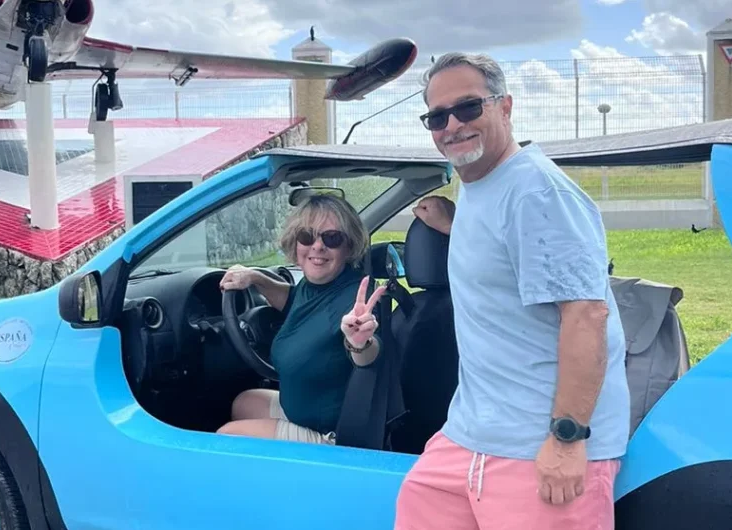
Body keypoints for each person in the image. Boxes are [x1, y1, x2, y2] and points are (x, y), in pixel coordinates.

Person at [394, 52, 631, 529]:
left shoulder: (537, 192)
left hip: (539, 448)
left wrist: (566, 439)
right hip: (468, 438)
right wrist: (451, 226)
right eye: (437, 117)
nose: (452, 125)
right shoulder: (483, 185)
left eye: (468, 107)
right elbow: (507, 254)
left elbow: (586, 315)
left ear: (505, 106)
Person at [216, 193, 386, 445]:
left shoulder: (356, 300)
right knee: (244, 402)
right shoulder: (316, 284)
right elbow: (293, 299)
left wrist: (359, 343)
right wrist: (255, 277)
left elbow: (368, 355)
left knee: (226, 437)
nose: (317, 246)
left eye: (332, 238)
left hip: (330, 434)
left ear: (349, 246)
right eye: (307, 236)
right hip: (301, 410)